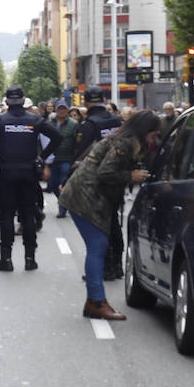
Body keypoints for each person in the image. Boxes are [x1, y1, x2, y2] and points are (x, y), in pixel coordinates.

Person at [59, 111, 162, 320]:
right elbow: (105, 173)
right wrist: (130, 176)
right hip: (85, 197)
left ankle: (94, 301)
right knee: (97, 246)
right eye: (154, 134)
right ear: (146, 131)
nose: (154, 139)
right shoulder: (124, 143)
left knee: (98, 245)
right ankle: (97, 302)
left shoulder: (126, 141)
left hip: (85, 196)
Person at [0, 86, 63, 272]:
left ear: (6, 102)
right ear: (23, 101)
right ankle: (30, 258)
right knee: (28, 215)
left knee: (6, 215)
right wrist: (42, 157)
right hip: (29, 171)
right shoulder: (34, 119)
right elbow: (58, 137)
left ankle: (5, 259)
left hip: (6, 171)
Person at [68, 87, 124, 278]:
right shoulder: (116, 121)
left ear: (85, 102)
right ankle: (118, 264)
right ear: (103, 100)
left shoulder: (89, 124)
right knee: (114, 221)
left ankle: (105, 266)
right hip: (117, 177)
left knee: (100, 223)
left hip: (98, 180)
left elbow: (80, 153)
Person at [47, 100, 81, 217]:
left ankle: (62, 209)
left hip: (67, 158)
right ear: (56, 110)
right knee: (53, 184)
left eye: (64, 109)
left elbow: (77, 143)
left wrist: (76, 159)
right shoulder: (50, 123)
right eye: (59, 109)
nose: (61, 111)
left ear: (67, 110)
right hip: (52, 159)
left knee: (63, 184)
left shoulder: (74, 124)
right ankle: (63, 201)